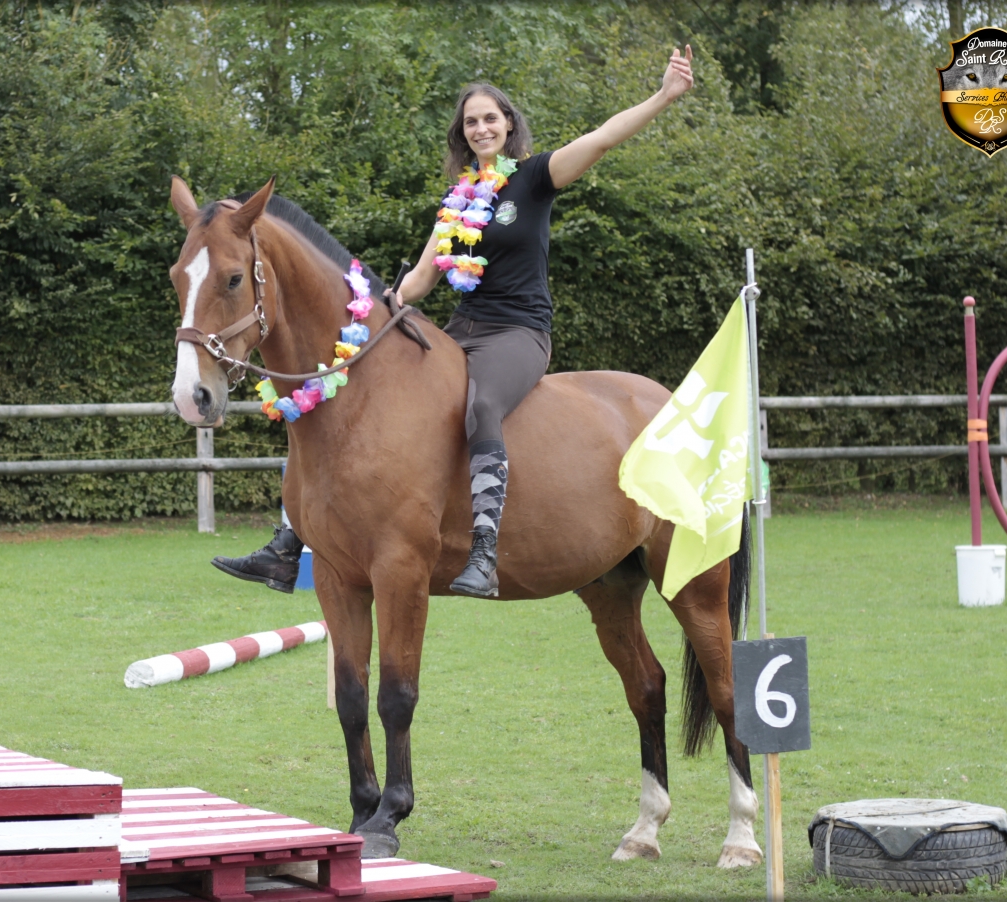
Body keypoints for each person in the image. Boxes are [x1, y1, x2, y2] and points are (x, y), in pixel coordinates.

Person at [212, 46, 695, 598]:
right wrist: (385, 302)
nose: (481, 128)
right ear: (463, 134)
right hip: (463, 328)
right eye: (471, 122)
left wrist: (663, 95)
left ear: (508, 123)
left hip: (520, 332)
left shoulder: (536, 177)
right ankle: (289, 542)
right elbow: (423, 276)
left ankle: (484, 551)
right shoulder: (459, 200)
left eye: (490, 118)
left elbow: (603, 138)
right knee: (350, 397)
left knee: (482, 405)